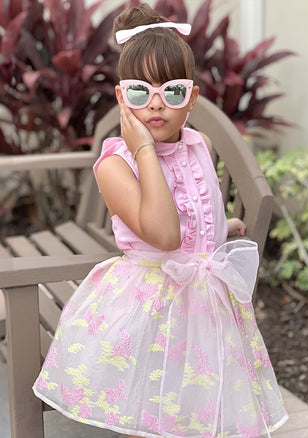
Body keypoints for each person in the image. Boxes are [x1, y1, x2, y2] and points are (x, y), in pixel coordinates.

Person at [33, 3, 288, 437]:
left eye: (171, 92)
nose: (155, 105)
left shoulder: (199, 143)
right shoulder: (117, 164)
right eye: (139, 91)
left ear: (190, 98)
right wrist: (143, 149)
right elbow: (166, 235)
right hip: (149, 302)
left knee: (198, 406)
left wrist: (217, 227)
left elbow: (190, 208)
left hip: (204, 302)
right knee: (150, 412)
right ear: (120, 97)